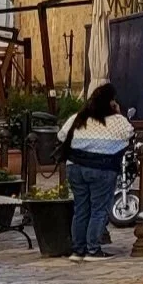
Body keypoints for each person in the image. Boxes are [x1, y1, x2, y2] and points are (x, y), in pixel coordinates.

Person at [59, 84, 134, 260]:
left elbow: (61, 136)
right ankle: (93, 249)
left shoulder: (78, 118)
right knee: (99, 209)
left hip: (75, 167)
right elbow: (129, 133)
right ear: (111, 102)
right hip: (102, 168)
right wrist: (119, 113)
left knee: (81, 208)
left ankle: (78, 250)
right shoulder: (116, 121)